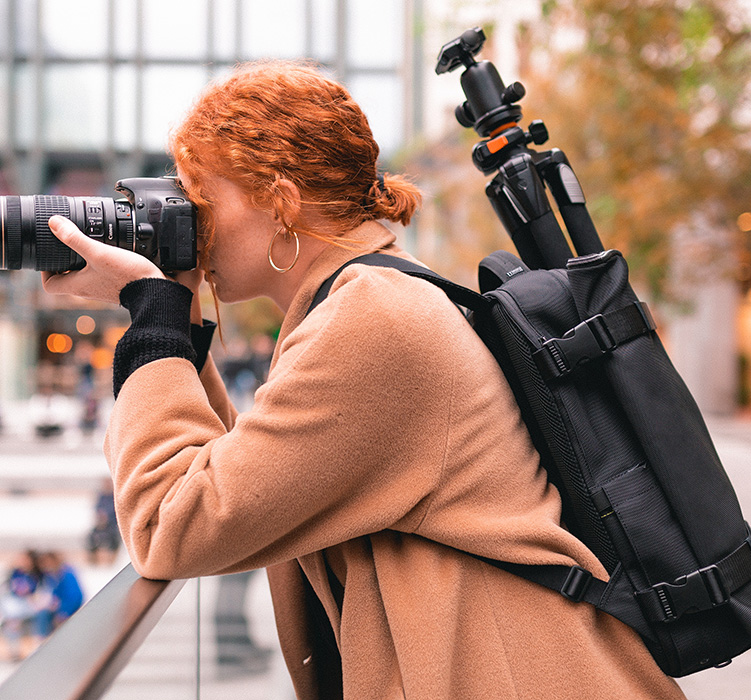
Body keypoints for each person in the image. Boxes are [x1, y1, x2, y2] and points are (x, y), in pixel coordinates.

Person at [40, 62, 685, 699]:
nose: (187, 221)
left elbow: (173, 525)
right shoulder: (364, 296)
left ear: (280, 202)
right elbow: (253, 484)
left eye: (199, 199)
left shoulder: (373, 319)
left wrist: (153, 320)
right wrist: (172, 318)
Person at [33, 551, 84, 638]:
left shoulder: (67, 575)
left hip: (69, 610)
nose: (45, 566)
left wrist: (64, 612)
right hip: (58, 609)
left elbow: (75, 597)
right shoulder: (51, 577)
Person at [86, 478, 121, 565]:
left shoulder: (115, 496)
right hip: (102, 523)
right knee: (92, 536)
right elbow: (97, 509)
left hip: (113, 524)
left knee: (114, 537)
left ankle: (113, 560)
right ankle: (93, 560)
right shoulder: (101, 496)